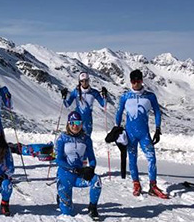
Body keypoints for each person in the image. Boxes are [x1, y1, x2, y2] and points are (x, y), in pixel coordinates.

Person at [115, 69, 167, 198]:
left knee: (151, 158)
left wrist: (158, 128)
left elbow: (157, 112)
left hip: (144, 134)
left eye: (138, 81)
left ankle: (153, 186)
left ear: (142, 81)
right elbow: (119, 112)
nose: (136, 84)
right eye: (133, 81)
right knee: (132, 159)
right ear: (130, 81)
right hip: (130, 134)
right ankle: (136, 183)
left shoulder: (150, 96)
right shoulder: (125, 97)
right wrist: (117, 128)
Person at [54, 111, 102, 218]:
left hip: (79, 175)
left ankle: (92, 207)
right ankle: (60, 196)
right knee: (67, 212)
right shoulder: (62, 138)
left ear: (81, 124)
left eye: (78, 123)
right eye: (72, 123)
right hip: (65, 176)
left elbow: (92, 158)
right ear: (68, 124)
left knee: (96, 181)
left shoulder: (86, 139)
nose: (75, 126)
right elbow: (58, 160)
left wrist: (91, 168)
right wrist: (72, 169)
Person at [61, 72, 108, 136]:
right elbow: (67, 104)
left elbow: (103, 104)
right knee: (76, 138)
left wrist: (105, 96)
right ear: (79, 82)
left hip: (88, 120)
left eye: (86, 80)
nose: (84, 82)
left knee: (87, 139)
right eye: (82, 81)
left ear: (89, 80)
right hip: (77, 119)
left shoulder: (94, 92)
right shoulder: (76, 92)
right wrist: (64, 97)